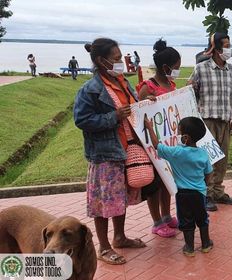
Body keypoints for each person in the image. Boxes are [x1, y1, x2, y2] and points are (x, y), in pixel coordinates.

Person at [73, 38, 147, 266]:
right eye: (116, 59)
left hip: (125, 150)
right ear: (100, 61)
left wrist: (146, 103)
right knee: (103, 202)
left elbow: (133, 108)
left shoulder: (123, 82)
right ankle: (103, 247)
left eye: (119, 58)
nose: (120, 63)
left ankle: (120, 237)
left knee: (119, 199)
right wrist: (113, 117)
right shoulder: (91, 89)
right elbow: (82, 120)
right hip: (105, 154)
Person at [144, 116, 214, 257]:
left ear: (186, 138)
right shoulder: (203, 154)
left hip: (183, 195)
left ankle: (189, 248)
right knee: (202, 218)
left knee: (186, 220)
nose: (178, 135)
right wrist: (203, 186)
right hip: (199, 193)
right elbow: (208, 173)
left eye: (179, 132)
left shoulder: (176, 153)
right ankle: (206, 244)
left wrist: (150, 127)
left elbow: (157, 145)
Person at [189, 32, 232, 212]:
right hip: (207, 122)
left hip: (225, 121)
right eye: (225, 45)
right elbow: (191, 93)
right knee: (208, 160)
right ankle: (207, 194)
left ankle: (218, 191)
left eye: (229, 45)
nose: (228, 49)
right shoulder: (201, 69)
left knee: (222, 159)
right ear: (215, 49)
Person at [136, 39, 182, 238]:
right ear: (165, 67)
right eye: (176, 68)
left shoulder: (171, 84)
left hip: (168, 144)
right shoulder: (148, 87)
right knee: (155, 185)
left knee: (166, 182)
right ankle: (156, 221)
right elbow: (138, 114)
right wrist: (147, 103)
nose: (177, 71)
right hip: (152, 145)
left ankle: (166, 215)